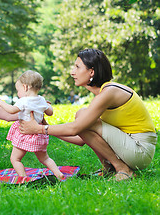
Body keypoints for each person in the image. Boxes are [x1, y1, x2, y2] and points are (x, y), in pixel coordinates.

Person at [19, 49, 157, 181]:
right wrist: (46, 127)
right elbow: (81, 139)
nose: (72, 72)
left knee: (82, 115)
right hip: (130, 147)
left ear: (91, 72)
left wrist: (39, 129)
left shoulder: (110, 92)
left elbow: (76, 129)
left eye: (77, 67)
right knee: (83, 117)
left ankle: (123, 170)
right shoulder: (102, 94)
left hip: (140, 150)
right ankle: (108, 168)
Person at [0, 70, 64, 180]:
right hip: (39, 135)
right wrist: (47, 105)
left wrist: (0, 102)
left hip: (25, 134)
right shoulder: (41, 100)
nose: (18, 94)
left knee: (15, 159)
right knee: (45, 158)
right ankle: (58, 173)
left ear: (25, 87)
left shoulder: (23, 101)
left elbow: (11, 110)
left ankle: (23, 178)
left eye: (18, 90)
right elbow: (50, 113)